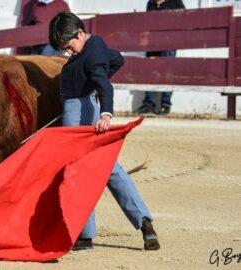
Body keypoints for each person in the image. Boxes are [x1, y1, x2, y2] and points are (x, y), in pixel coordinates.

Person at [49, 12, 160, 251]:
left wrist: (106, 113)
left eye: (70, 46)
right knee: (108, 167)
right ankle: (145, 223)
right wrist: (93, 89)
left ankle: (86, 234)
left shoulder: (91, 54)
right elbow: (117, 59)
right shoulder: (96, 46)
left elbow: (104, 84)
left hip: (78, 109)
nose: (69, 52)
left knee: (77, 166)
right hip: (86, 104)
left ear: (80, 33)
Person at [136, 0, 186, 115]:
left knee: (167, 71)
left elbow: (183, 21)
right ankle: (149, 104)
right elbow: (147, 22)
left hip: (170, 42)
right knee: (151, 71)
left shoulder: (176, 2)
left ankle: (165, 104)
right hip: (153, 42)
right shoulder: (151, 3)